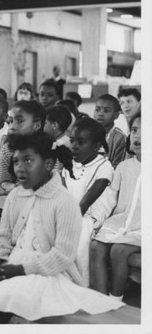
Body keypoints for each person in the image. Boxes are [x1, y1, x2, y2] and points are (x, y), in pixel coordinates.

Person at [0, 132, 123, 323]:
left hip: (47, 272)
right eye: (16, 162)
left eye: (28, 161)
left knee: (6, 300)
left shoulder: (64, 202)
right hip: (11, 263)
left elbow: (62, 257)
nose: (19, 168)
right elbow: (3, 236)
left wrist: (19, 269)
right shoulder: (16, 195)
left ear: (48, 164)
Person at [0, 100, 46, 258]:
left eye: (20, 121)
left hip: (44, 203)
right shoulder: (8, 149)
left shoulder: (49, 150)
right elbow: (1, 184)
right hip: (12, 198)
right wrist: (16, 188)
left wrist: (15, 187)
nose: (12, 126)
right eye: (10, 121)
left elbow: (46, 185)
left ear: (37, 124)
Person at [90, 113, 141, 300]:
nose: (137, 136)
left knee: (119, 250)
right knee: (96, 246)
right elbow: (110, 198)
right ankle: (101, 299)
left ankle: (114, 300)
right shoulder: (124, 167)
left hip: (143, 226)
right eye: (135, 130)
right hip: (122, 221)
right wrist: (98, 219)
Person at [62, 118, 115, 286]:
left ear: (96, 145)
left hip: (94, 217)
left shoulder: (104, 167)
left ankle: (82, 286)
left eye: (81, 142)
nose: (74, 146)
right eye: (72, 141)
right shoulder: (68, 165)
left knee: (80, 236)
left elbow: (83, 205)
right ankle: (60, 284)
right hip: (73, 213)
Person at [94, 94, 127, 168]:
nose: (100, 114)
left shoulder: (120, 139)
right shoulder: (87, 134)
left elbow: (117, 168)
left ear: (116, 115)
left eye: (106, 110)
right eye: (97, 109)